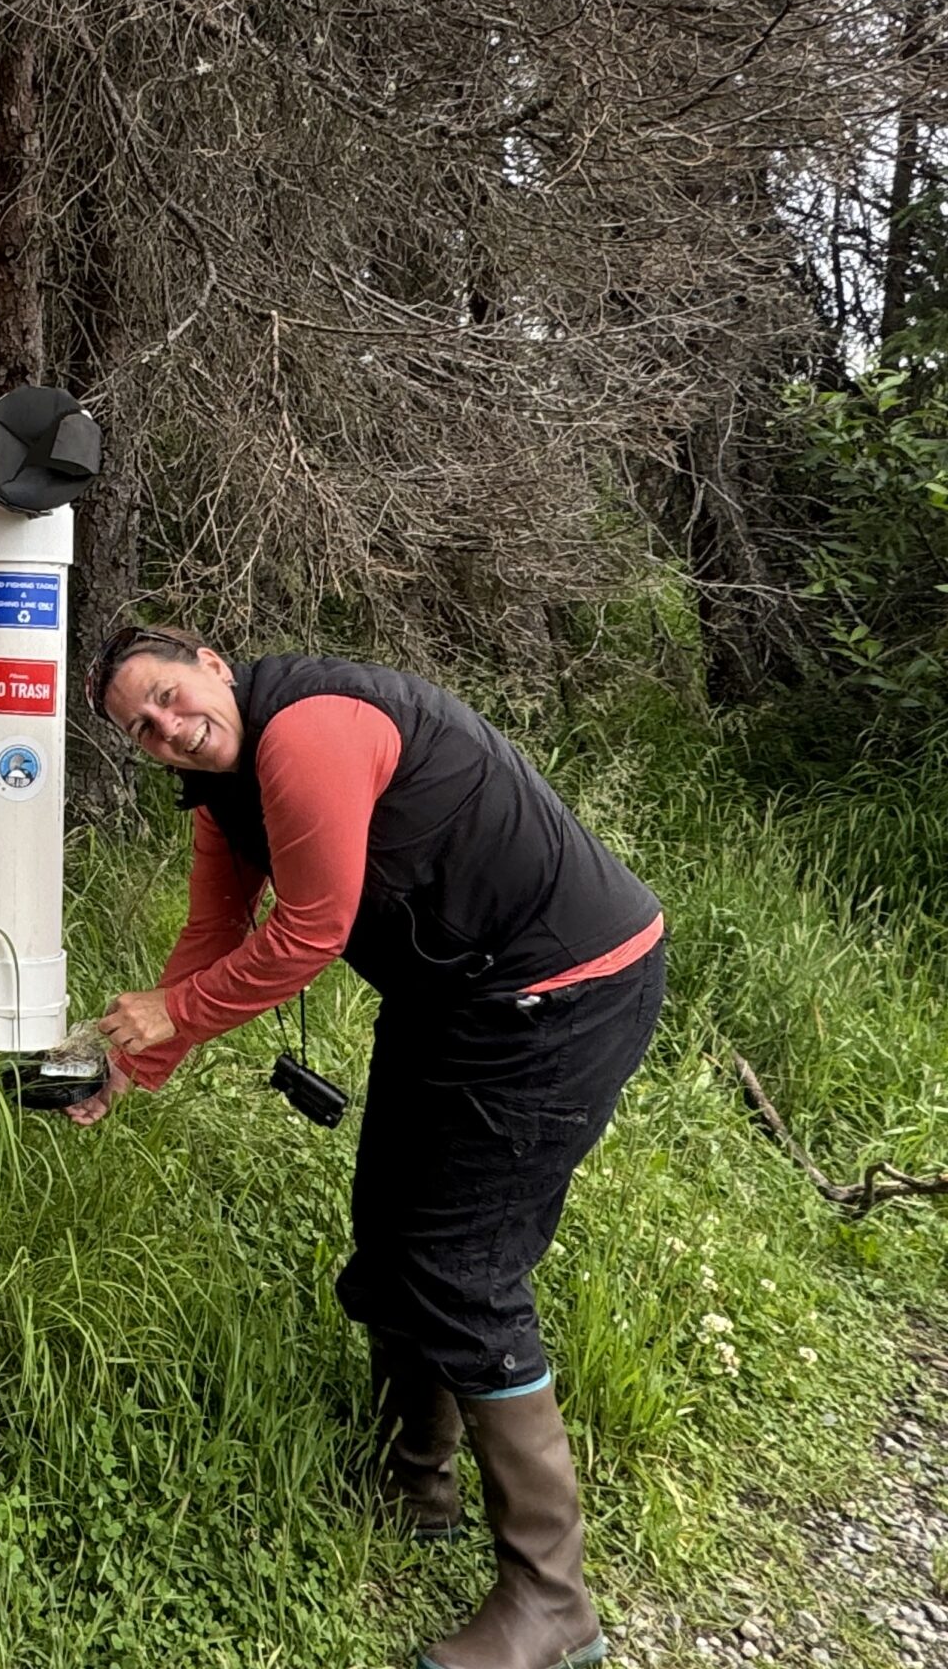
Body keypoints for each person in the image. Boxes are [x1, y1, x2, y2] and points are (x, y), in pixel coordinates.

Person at [77, 625, 663, 1669]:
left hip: (559, 993)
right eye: (143, 730)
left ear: (213, 662)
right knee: (391, 1226)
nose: (168, 728)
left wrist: (173, 1018)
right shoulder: (225, 798)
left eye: (169, 696)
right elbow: (211, 942)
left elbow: (309, 931)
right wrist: (135, 1060)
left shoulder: (307, 732)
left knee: (463, 1267)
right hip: (455, 999)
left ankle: (551, 1600)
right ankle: (412, 1481)